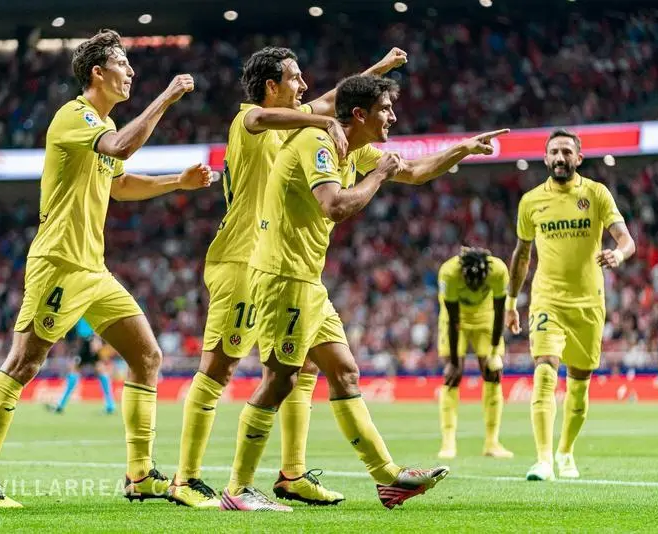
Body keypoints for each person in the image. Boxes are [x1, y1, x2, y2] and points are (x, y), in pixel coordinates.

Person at [220, 73, 508, 511]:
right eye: (385, 109)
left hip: (306, 281)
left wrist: (462, 149)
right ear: (359, 113)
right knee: (281, 379)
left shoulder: (354, 147)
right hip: (282, 277)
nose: (393, 115)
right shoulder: (316, 144)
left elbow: (412, 172)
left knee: (344, 371)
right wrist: (376, 177)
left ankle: (388, 478)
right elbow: (335, 206)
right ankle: (238, 489)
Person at [0, 29, 212, 508]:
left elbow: (121, 184)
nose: (131, 72)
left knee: (146, 357)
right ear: (98, 72)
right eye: (123, 64)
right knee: (23, 363)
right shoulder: (75, 117)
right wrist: (166, 97)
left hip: (92, 269)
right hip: (58, 263)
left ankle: (140, 476)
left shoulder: (99, 127)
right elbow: (120, 149)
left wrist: (176, 182)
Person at [170, 46, 408, 509]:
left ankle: (292, 474)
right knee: (222, 367)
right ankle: (188, 478)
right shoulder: (251, 120)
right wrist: (322, 121)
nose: (304, 88)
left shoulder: (298, 124)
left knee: (304, 366)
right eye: (295, 79)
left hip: (275, 258)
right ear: (270, 87)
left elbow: (338, 100)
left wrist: (376, 69)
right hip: (241, 259)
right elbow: (294, 116)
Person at [505, 129, 635, 481]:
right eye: (554, 152)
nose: (560, 158)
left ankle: (565, 451)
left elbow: (626, 239)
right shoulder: (531, 201)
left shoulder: (596, 194)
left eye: (566, 152)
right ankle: (543, 460)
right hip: (547, 298)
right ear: (545, 158)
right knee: (545, 369)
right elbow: (521, 255)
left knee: (579, 387)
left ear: (578, 158)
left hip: (589, 303)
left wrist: (619, 254)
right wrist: (512, 300)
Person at [437, 247, 513, 460]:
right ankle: (448, 442)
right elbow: (452, 320)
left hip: (485, 319)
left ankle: (492, 442)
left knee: (493, 373)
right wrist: (453, 361)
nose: (473, 288)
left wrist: (495, 349)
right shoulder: (448, 272)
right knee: (454, 374)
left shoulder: (498, 270)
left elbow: (500, 312)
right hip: (456, 320)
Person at [47, 318, 115, 415]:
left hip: (89, 341)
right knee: (99, 369)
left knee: (76, 369)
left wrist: (96, 338)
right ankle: (110, 405)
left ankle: (60, 404)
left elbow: (96, 319)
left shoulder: (87, 305)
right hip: (84, 341)